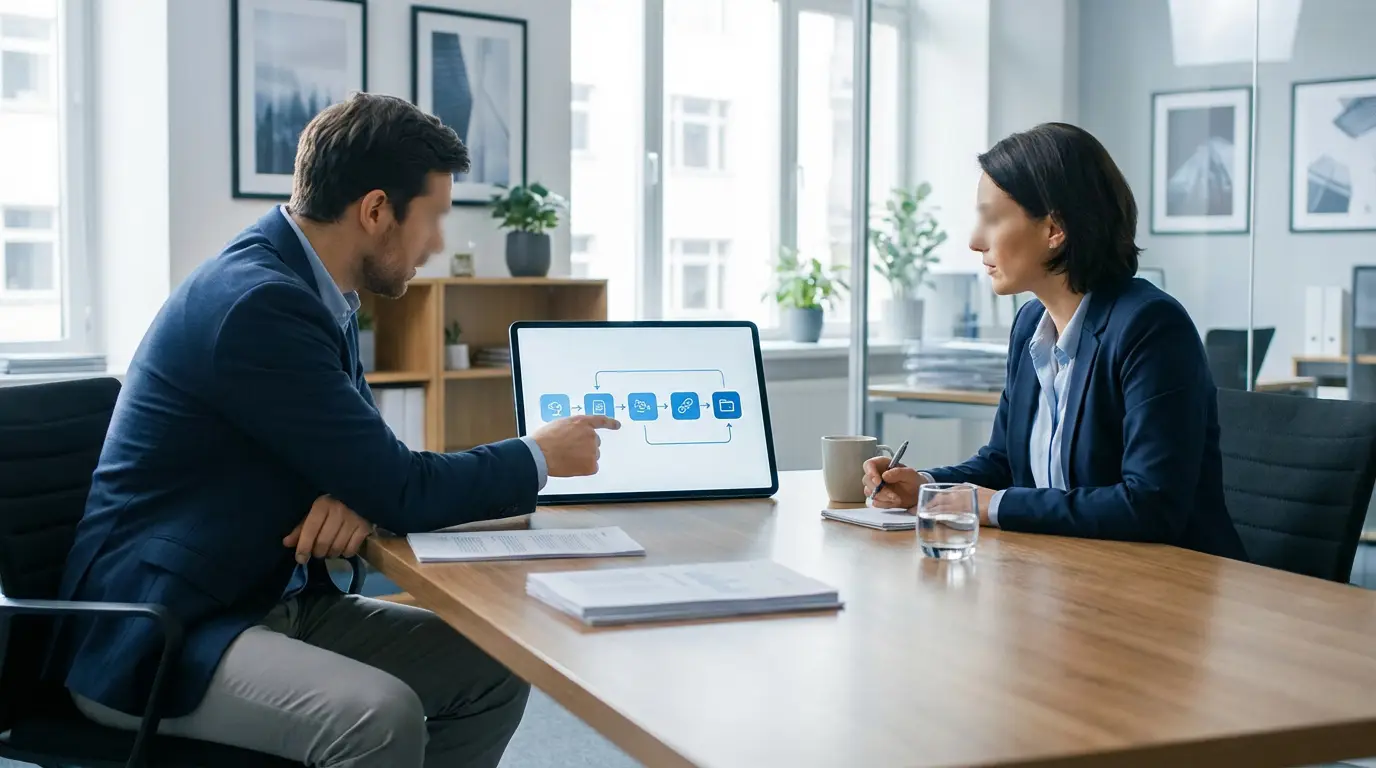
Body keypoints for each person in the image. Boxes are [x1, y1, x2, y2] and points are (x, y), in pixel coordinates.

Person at [45, 93, 620, 767]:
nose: (437, 245)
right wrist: (538, 456)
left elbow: (370, 462)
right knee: (378, 719)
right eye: (433, 219)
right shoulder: (261, 303)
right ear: (376, 211)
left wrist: (357, 489)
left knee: (493, 665)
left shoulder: (318, 290)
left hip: (261, 594)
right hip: (164, 630)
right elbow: (403, 487)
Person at [863, 122, 1245, 560]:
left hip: (1169, 585)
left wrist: (992, 505)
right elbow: (1005, 462)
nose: (973, 241)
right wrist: (927, 486)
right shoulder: (1030, 324)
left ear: (1054, 229)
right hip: (1072, 572)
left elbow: (1150, 505)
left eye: (990, 218)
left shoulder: (1151, 327)